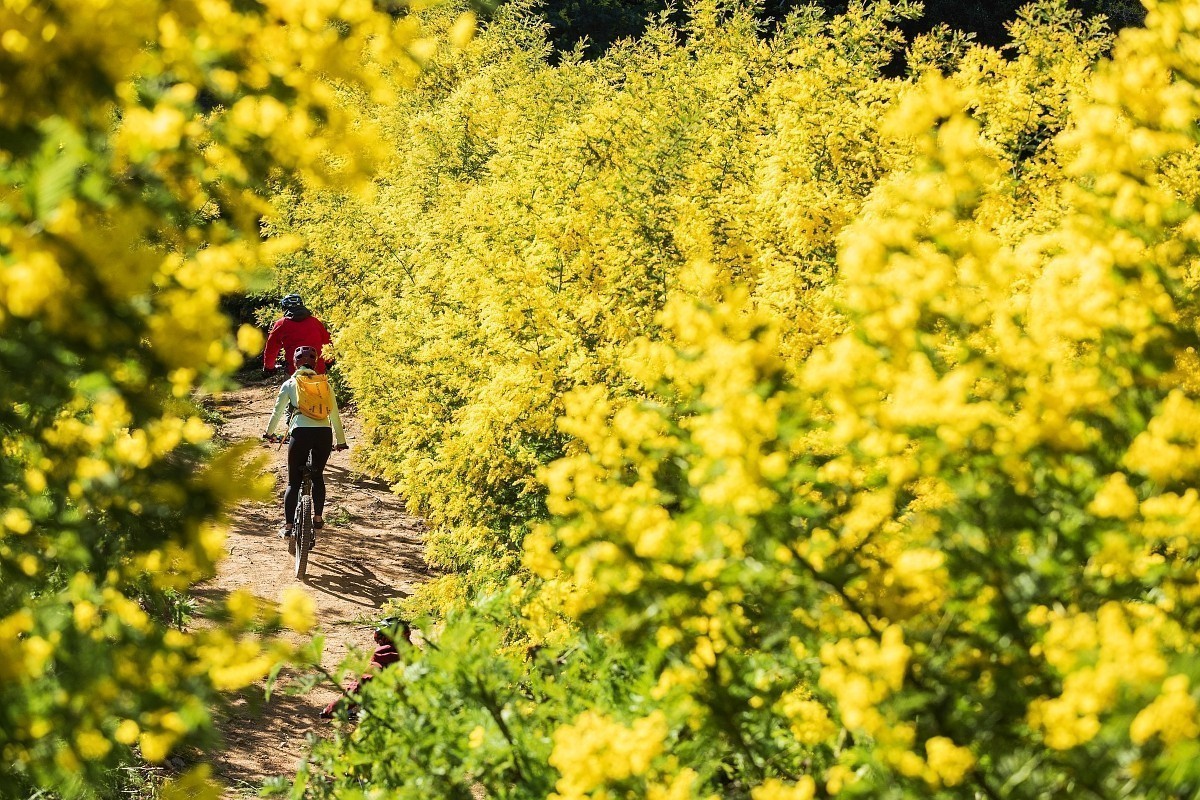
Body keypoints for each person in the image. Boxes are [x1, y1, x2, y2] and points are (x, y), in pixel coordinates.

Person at [264, 345, 348, 539]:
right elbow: (335, 415)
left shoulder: (290, 384)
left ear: (295, 364)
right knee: (317, 477)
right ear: (315, 363)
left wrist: (269, 433)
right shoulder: (325, 385)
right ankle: (318, 519)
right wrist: (341, 442)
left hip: (300, 433)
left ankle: (288, 526)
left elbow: (277, 412)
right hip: (324, 434)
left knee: (294, 482)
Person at [320, 618, 412, 719]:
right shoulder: (420, 657)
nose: (378, 643)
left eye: (380, 639)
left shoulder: (382, 661)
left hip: (394, 716)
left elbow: (358, 688)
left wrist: (331, 710)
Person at [262, 293, 334, 376]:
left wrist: (269, 367)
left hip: (294, 371)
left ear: (284, 308)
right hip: (318, 369)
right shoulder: (315, 322)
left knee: (290, 387)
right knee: (323, 388)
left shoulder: (281, 324)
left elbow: (272, 347)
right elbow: (327, 343)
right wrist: (329, 361)